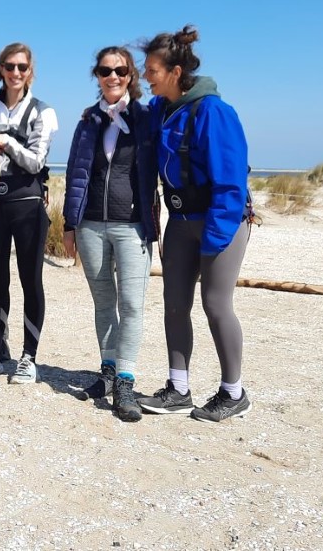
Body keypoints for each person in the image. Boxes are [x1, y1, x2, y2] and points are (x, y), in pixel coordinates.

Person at [137, 25, 253, 423]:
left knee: (216, 303)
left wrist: (214, 240)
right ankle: (178, 388)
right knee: (174, 303)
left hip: (221, 221)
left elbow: (231, 181)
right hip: (180, 219)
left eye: (151, 70)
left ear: (174, 71)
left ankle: (233, 392)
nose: (145, 77)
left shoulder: (215, 112)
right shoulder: (161, 109)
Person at [62, 46, 158, 422]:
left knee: (132, 304)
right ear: (97, 76)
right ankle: (106, 371)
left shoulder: (147, 117)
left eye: (120, 70)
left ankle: (126, 381)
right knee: (104, 303)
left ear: (131, 75)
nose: (113, 76)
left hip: (132, 224)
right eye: (105, 71)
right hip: (90, 225)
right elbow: (75, 173)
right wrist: (71, 223)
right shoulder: (88, 120)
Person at [0, 43, 58, 384]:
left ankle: (29, 356)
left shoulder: (42, 112)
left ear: (30, 71)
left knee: (30, 279)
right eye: (9, 66)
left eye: (22, 67)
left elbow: (36, 161)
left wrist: (3, 141)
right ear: (0, 69)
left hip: (27, 202)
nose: (15, 73)